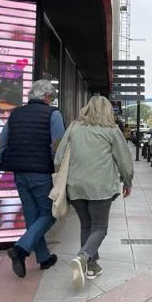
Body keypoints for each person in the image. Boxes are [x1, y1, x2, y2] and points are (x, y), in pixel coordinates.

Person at [54, 96, 133, 291]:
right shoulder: (112, 131)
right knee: (100, 227)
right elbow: (124, 161)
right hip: (101, 187)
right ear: (108, 111)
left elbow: (58, 157)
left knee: (86, 225)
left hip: (76, 186)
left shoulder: (74, 127)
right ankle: (83, 257)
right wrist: (127, 181)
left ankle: (91, 266)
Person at [0, 79, 65, 278]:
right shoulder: (53, 114)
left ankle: (44, 258)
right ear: (47, 96)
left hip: (19, 174)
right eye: (52, 97)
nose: (52, 101)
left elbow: (0, 144)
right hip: (41, 174)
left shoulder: (16, 114)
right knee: (49, 214)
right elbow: (57, 149)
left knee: (33, 217)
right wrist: (59, 174)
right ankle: (20, 249)